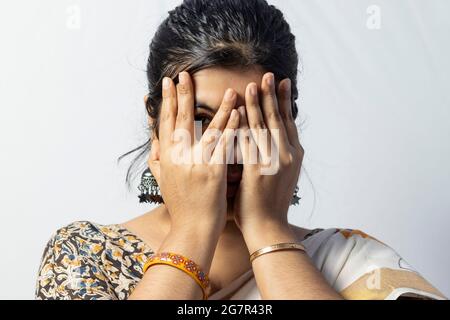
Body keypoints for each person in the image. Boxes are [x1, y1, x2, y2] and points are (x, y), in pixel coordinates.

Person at [35, 0, 446, 300]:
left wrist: (268, 231)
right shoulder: (83, 255)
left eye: (250, 123)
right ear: (154, 119)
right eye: (200, 118)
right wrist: (193, 232)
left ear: (286, 125)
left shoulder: (349, 260)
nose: (225, 148)